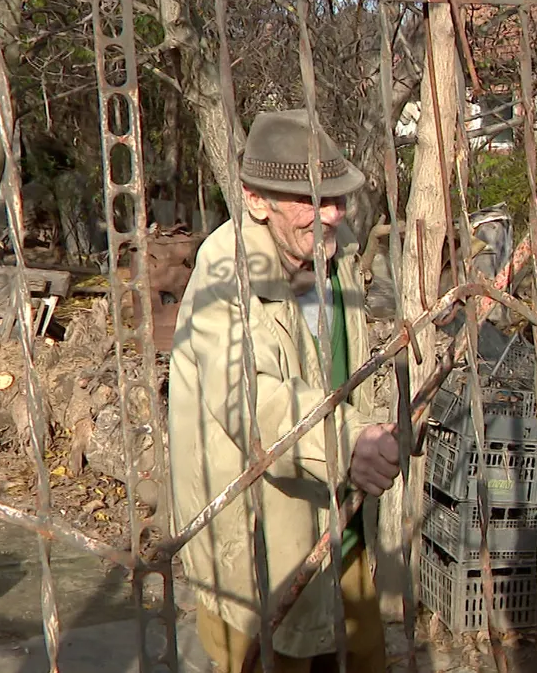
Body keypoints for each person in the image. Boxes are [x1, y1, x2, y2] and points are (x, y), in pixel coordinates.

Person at [168, 109, 400, 673]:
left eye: (337, 199)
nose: (331, 215)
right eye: (310, 200)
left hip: (341, 519)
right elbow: (254, 400)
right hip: (259, 541)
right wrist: (349, 442)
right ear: (254, 200)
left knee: (364, 655)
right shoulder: (224, 273)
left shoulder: (335, 251)